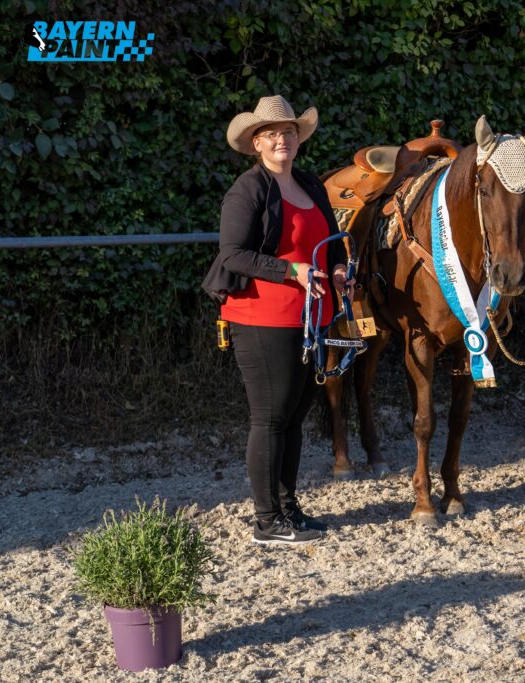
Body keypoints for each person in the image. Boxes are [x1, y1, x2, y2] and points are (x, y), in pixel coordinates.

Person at [202, 95, 353, 546]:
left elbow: (328, 241)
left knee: (293, 416)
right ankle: (267, 520)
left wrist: (339, 267)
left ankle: (288, 508)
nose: (280, 139)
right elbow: (233, 254)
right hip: (262, 315)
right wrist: (292, 271)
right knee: (270, 417)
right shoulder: (247, 190)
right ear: (256, 143)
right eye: (271, 134)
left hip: (310, 316)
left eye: (287, 132)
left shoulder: (310, 184)